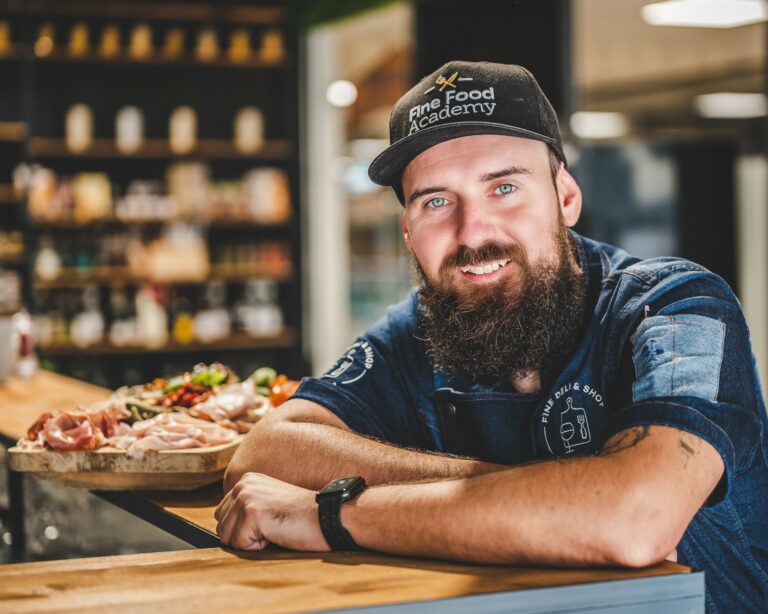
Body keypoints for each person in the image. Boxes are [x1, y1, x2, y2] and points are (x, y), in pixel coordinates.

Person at [215, 61, 768, 612]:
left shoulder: (675, 306)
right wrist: (561, 501)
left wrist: (336, 513)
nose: (472, 231)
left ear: (566, 198)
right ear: (408, 231)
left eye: (504, 188)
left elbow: (634, 520)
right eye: (435, 201)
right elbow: (265, 453)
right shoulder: (419, 328)